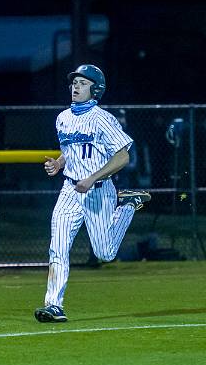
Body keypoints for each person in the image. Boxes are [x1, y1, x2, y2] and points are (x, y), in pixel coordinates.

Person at [34, 64, 151, 323]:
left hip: (98, 190)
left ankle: (128, 204)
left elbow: (122, 157)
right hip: (69, 190)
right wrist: (58, 163)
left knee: (105, 253)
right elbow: (72, 150)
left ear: (95, 90)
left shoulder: (103, 118)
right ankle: (53, 305)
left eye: (82, 83)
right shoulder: (62, 117)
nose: (75, 86)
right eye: (74, 82)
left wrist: (93, 177)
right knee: (58, 248)